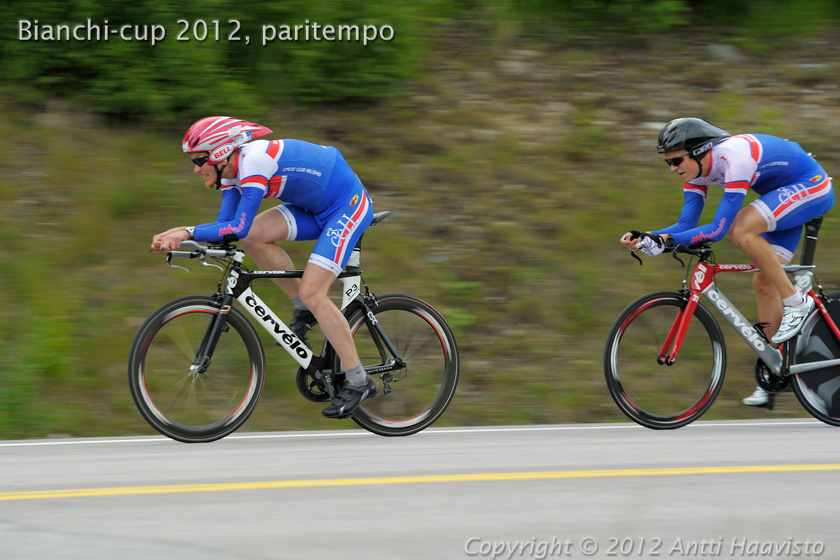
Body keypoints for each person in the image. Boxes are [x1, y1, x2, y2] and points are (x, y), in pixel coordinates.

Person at [151, 116, 376, 419]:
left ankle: (358, 379)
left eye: (200, 159)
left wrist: (186, 231)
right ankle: (303, 308)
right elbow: (226, 227)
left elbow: (238, 226)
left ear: (220, 153)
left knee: (315, 291)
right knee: (256, 237)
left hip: (345, 206)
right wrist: (189, 239)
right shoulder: (231, 172)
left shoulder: (254, 161)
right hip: (314, 207)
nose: (196, 168)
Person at [620, 117, 834, 407]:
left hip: (810, 186)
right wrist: (650, 236)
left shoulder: (734, 158)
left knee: (741, 229)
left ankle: (797, 303)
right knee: (763, 282)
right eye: (667, 163)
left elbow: (718, 230)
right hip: (782, 196)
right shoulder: (695, 173)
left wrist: (667, 243)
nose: (672, 168)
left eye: (677, 160)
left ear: (700, 151)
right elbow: (687, 223)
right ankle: (777, 370)